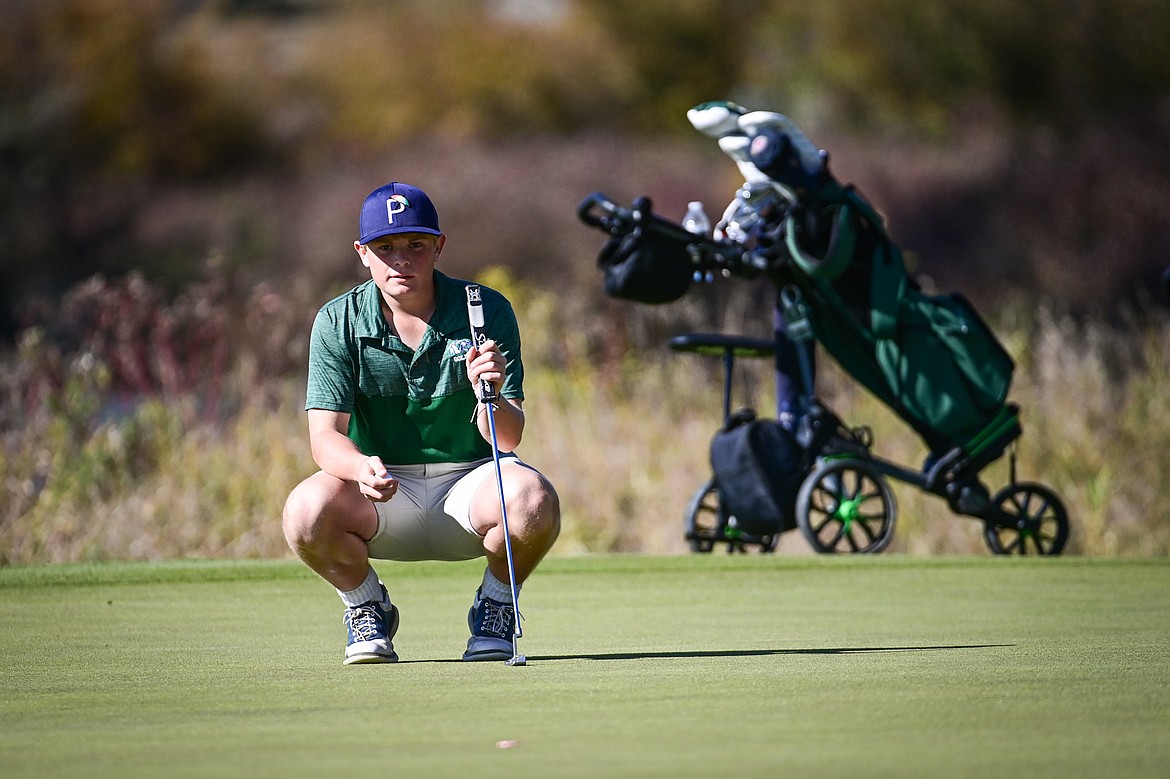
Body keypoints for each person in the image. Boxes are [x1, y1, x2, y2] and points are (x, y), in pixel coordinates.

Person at [282, 182, 561, 664]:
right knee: (304, 510)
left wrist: (487, 394)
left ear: (438, 245)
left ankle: (496, 605)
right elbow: (324, 438)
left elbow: (509, 436)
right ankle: (366, 605)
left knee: (534, 499)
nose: (401, 260)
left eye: (415, 244)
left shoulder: (484, 309)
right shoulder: (338, 320)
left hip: (471, 485)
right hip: (381, 492)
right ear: (362, 254)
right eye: (385, 248)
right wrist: (358, 468)